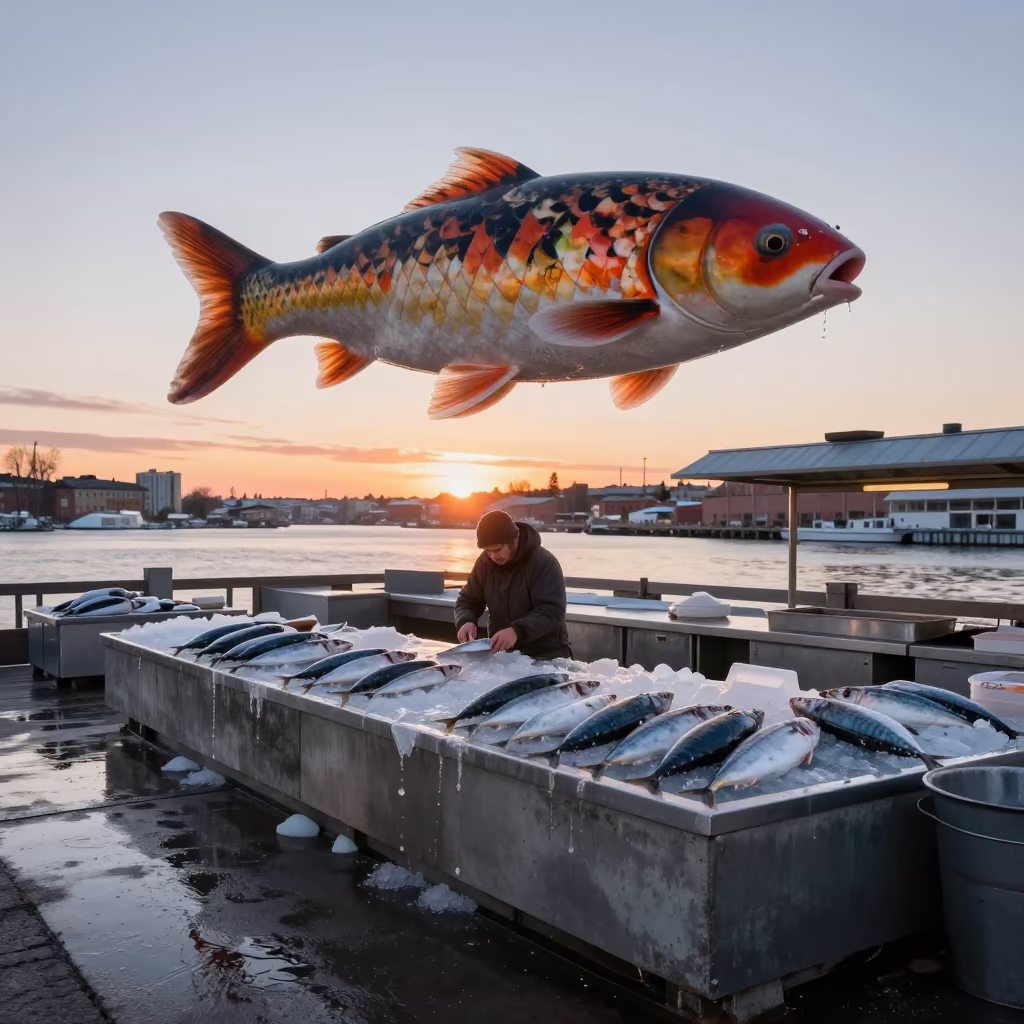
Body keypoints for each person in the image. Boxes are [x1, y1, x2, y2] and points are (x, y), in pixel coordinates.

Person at [454, 510, 572, 661]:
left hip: (547, 656)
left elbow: (552, 611)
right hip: (504, 657)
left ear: (514, 539)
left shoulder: (544, 562)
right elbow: (468, 600)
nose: (493, 556)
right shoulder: (485, 562)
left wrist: (518, 631)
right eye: (487, 551)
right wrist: (466, 621)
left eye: (497, 549)